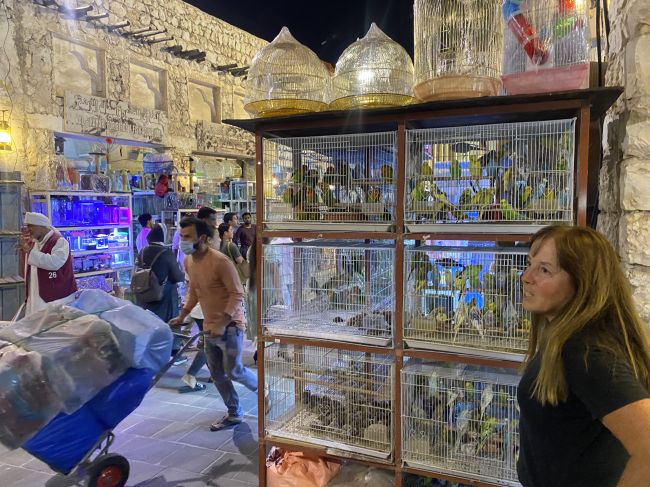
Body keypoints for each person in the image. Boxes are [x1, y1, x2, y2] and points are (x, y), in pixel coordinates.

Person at [517, 225, 650, 487]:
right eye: (530, 264)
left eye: (544, 269)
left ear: (582, 283)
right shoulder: (562, 340)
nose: (526, 277)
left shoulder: (586, 353)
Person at [170, 217, 260, 430]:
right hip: (210, 327)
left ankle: (262, 389)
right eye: (181, 236)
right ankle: (234, 412)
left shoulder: (220, 262)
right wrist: (182, 315)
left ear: (202, 238)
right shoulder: (189, 261)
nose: (183, 241)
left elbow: (237, 294)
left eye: (187, 237)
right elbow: (194, 291)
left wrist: (223, 321)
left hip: (231, 327)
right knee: (217, 374)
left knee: (234, 371)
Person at [136, 224, 185, 364]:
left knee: (150, 323)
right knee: (172, 323)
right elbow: (176, 276)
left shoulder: (143, 251)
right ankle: (175, 354)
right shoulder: (166, 253)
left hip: (145, 293)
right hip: (164, 295)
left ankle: (149, 351)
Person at [20, 212, 77, 316]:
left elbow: (54, 263)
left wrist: (30, 252)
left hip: (57, 300)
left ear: (41, 226)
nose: (28, 230)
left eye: (30, 226)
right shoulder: (34, 243)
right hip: (37, 299)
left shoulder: (59, 241)